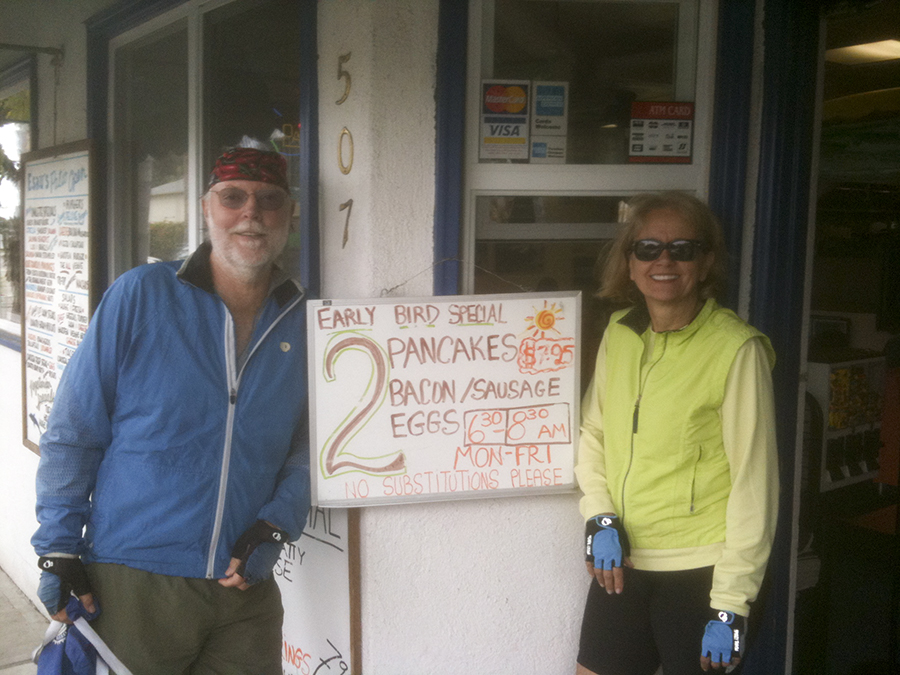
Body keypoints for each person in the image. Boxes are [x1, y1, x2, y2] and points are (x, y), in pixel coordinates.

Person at [32, 145, 311, 674]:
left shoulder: (303, 317)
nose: (251, 212)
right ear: (207, 208)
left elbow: (313, 442)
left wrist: (278, 522)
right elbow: (74, 429)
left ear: (290, 214)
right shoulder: (141, 295)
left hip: (244, 585)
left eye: (269, 200)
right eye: (233, 197)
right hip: (133, 579)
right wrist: (58, 548)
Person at [574, 192, 778, 675]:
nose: (663, 260)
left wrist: (731, 603)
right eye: (648, 248)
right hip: (622, 563)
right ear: (629, 263)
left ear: (705, 263)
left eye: (683, 249)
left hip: (701, 571)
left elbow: (755, 485)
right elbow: (594, 430)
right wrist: (599, 515)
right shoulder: (621, 332)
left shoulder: (736, 349)